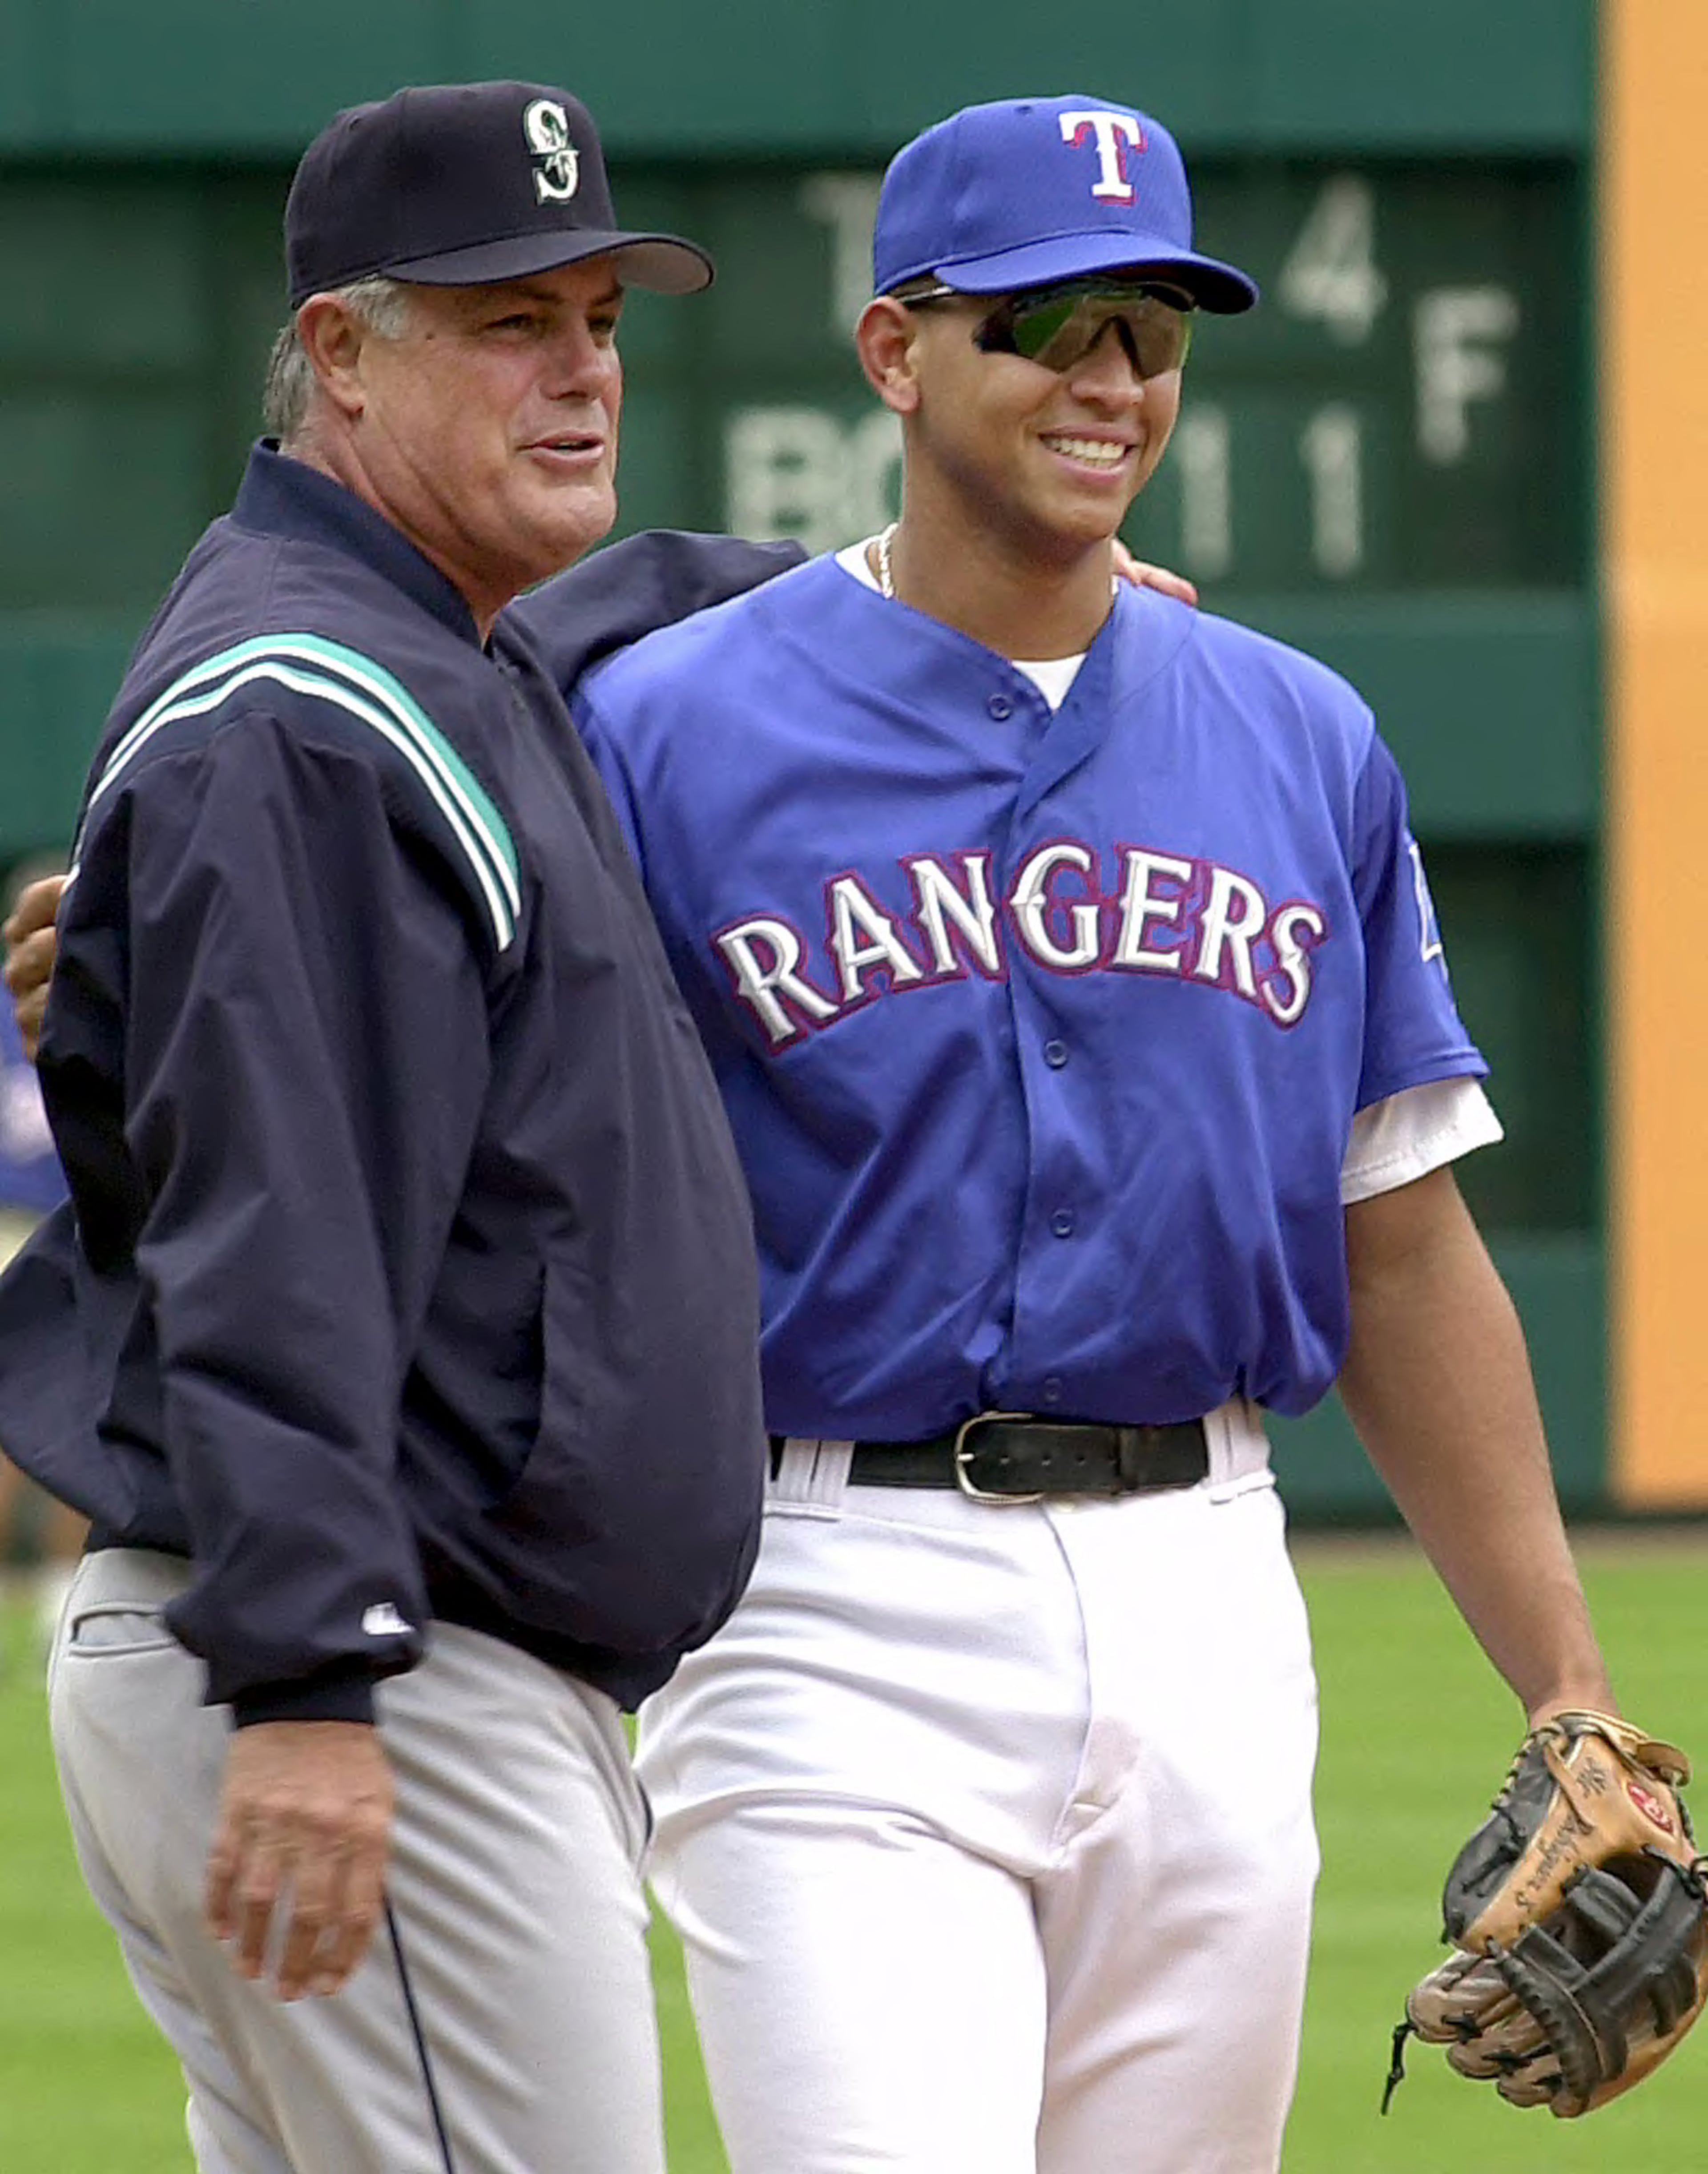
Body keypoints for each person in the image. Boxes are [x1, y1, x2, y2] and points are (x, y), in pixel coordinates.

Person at [550, 95, 1621, 2174]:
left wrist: (1568, 1686)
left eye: (1152, 329)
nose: (1108, 379)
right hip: (824, 1588)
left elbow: (1397, 1238)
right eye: (1047, 324)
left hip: (1214, 1582)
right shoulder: (666, 729)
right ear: (896, 353)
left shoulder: (1298, 735)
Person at [0, 80, 766, 2174]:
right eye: (512, 320)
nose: (586, 367)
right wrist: (320, 1687)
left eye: (603, 316)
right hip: (378, 1669)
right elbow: (281, 1236)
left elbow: (643, 596)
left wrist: (963, 576)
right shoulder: (307, 715)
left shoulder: (429, 648)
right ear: (340, 352)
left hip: (364, 1649)